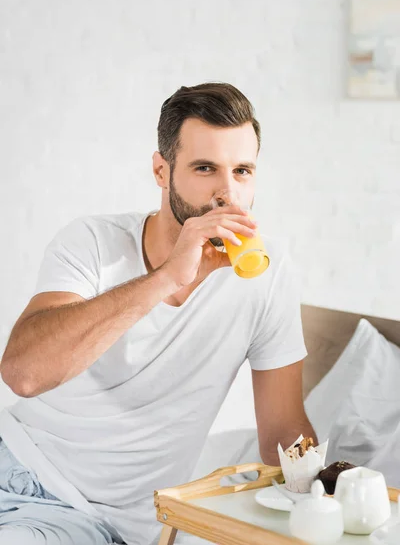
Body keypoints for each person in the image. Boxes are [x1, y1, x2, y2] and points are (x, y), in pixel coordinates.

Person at [0, 82, 317, 545]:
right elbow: (23, 374)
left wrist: (331, 489)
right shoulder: (92, 243)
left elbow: (283, 431)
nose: (227, 194)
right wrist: (169, 276)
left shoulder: (270, 273)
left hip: (138, 526)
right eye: (205, 168)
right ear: (161, 171)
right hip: (29, 483)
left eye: (243, 171)